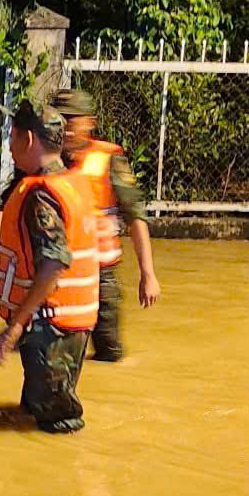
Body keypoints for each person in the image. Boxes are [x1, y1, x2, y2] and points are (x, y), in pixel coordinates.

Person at [0, 102, 97, 434]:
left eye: (13, 136)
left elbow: (53, 265)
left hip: (51, 328)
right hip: (61, 325)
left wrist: (14, 327)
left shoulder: (41, 197)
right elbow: (42, 260)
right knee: (33, 416)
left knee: (58, 424)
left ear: (29, 139)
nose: (8, 144)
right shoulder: (71, 182)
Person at [51, 88, 161, 362]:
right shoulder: (44, 160)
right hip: (55, 272)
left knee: (110, 354)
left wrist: (148, 274)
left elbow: (135, 217)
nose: (65, 128)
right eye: (60, 120)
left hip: (100, 273)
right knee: (50, 351)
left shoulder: (108, 160)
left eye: (71, 120)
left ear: (90, 122)